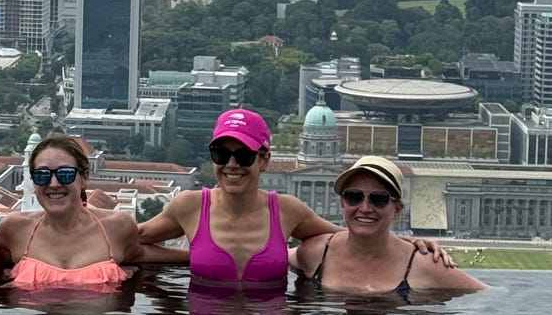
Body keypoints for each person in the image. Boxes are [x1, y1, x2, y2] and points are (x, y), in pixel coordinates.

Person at [140, 108, 457, 288]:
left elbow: (352, 234)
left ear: (264, 160)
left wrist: (410, 243)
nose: (232, 164)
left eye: (245, 155)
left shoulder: (287, 210)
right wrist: (189, 257)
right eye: (221, 154)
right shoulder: (190, 205)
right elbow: (133, 241)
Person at [297, 155, 485, 297]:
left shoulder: (425, 265)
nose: (365, 208)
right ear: (342, 203)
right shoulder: (314, 253)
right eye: (354, 196)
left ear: (397, 209)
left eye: (379, 199)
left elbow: (486, 297)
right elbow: (278, 256)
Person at [0, 133, 143, 289]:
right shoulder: (13, 229)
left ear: (84, 178)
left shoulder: (118, 227)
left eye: (65, 174)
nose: (53, 184)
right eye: (41, 175)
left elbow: (142, 255)